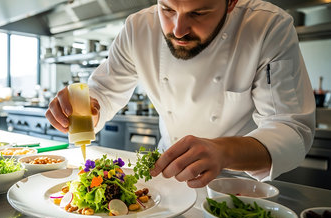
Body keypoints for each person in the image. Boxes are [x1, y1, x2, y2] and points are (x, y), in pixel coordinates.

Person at [46, 0, 315, 188]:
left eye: (199, 13)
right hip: (168, 177)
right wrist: (86, 109)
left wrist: (223, 151)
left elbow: (291, 129)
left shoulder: (267, 26)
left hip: (238, 184)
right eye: (167, 9)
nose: (178, 30)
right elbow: (103, 92)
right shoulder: (138, 28)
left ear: (231, 2)